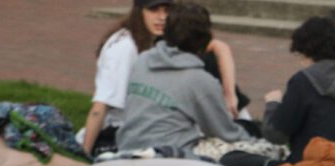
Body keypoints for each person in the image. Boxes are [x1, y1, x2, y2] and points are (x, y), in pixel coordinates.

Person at [117, 2, 280, 166]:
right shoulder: (200, 80)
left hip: (127, 144)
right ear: (205, 38)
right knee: (263, 148)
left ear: (167, 31)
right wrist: (256, 142)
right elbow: (225, 131)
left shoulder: (143, 60)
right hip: (169, 152)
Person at [81, 0, 250, 157]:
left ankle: (239, 118)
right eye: (154, 10)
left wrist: (229, 93)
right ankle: (242, 124)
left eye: (167, 10)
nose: (161, 17)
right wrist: (84, 154)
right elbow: (99, 108)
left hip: (154, 129)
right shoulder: (124, 49)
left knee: (211, 63)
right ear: (139, 11)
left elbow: (220, 47)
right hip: (132, 133)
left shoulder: (156, 44)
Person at [261, 17, 335, 163]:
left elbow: (276, 135)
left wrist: (272, 104)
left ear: (304, 50)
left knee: (237, 161)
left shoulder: (303, 81)